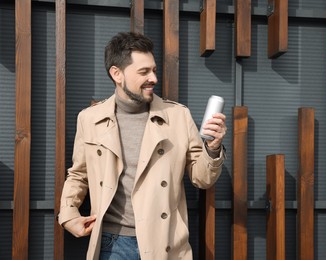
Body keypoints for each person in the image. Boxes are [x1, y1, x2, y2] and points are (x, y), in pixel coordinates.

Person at [58, 31, 227, 260]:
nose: (154, 79)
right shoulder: (89, 119)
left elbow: (202, 178)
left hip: (165, 243)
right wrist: (68, 214)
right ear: (117, 74)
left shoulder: (178, 116)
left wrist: (213, 148)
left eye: (154, 70)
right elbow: (79, 174)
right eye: (143, 71)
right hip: (112, 243)